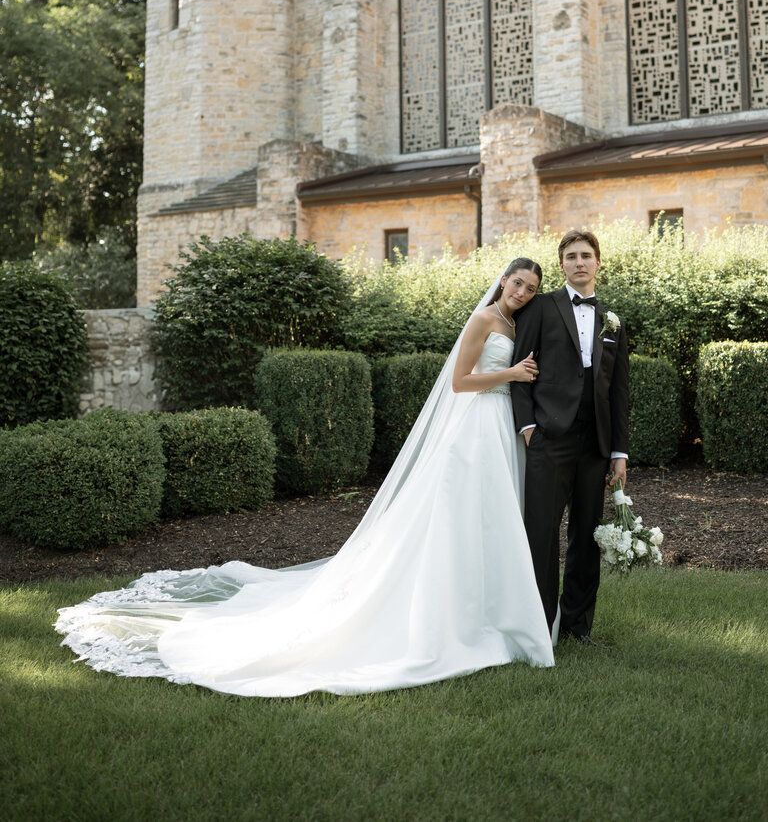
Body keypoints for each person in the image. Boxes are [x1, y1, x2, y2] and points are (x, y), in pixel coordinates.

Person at [56, 259, 554, 696]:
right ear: (503, 281)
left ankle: (492, 611)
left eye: (531, 288)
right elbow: (459, 382)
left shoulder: (515, 325)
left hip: (500, 431)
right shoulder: (485, 319)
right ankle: (448, 617)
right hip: (471, 430)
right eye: (518, 283)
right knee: (456, 519)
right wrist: (510, 376)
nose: (522, 292)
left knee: (491, 518)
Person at [510, 230, 629, 647]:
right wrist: (527, 427)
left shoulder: (613, 321)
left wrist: (619, 451)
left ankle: (577, 627)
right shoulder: (541, 307)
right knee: (541, 532)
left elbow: (618, 391)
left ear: (598, 262)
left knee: (587, 533)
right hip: (548, 437)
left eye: (586, 255)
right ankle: (540, 626)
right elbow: (520, 369)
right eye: (571, 256)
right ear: (562, 264)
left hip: (594, 442)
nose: (580, 262)